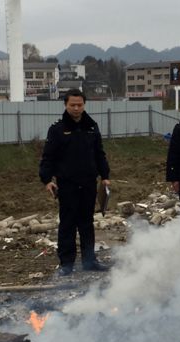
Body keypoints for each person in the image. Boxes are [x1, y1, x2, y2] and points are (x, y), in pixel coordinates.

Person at [39, 89, 111, 276]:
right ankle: (66, 264)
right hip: (67, 184)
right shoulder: (57, 129)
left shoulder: (91, 126)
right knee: (68, 224)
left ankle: (89, 261)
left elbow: (99, 154)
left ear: (84, 105)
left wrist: (105, 176)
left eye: (80, 105)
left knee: (87, 222)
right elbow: (48, 157)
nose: (77, 108)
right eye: (73, 105)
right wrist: (47, 180)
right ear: (66, 105)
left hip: (88, 183)